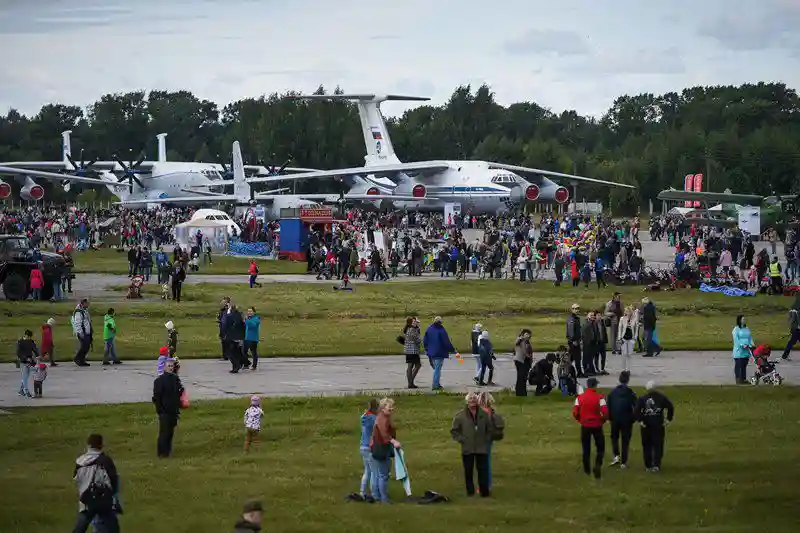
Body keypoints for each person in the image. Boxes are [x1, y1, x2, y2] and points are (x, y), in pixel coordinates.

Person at [451, 392, 498, 497]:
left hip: (481, 447)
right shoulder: (460, 416)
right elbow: (454, 431)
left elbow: (490, 429)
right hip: (468, 448)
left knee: (483, 470)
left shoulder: (484, 415)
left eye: (474, 399)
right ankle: (470, 491)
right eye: (470, 399)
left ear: (477, 401)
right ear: (467, 402)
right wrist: (462, 440)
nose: (472, 401)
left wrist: (486, 439)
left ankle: (484, 492)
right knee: (468, 470)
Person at [72, 433, 120, 533]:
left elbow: (76, 478)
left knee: (80, 528)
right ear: (101, 445)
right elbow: (113, 480)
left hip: (86, 499)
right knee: (113, 528)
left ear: (88, 445)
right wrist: (115, 498)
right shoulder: (105, 460)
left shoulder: (79, 461)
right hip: (103, 499)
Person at [572, 377, 609, 479]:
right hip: (597, 425)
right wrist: (602, 420)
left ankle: (587, 469)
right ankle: (597, 465)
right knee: (600, 448)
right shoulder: (600, 397)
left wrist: (581, 420)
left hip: (585, 426)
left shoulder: (579, 398)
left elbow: (575, 412)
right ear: (595, 386)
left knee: (586, 448)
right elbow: (605, 412)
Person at [635, 380, 675, 472]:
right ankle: (656, 465)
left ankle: (648, 465)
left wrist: (640, 420)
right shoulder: (662, 398)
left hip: (646, 426)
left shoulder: (643, 398)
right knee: (658, 445)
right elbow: (670, 407)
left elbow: (636, 410)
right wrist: (668, 419)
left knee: (646, 446)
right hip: (658, 425)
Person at [369, 398, 401, 504]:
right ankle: (384, 499)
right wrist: (394, 441)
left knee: (378, 474)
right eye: (389, 406)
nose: (391, 408)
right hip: (382, 448)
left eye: (392, 406)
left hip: (377, 447)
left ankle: (377, 496)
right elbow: (384, 433)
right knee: (383, 475)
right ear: (383, 408)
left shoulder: (383, 416)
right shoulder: (383, 418)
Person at [152, 359, 184, 458]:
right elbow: (156, 397)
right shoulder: (159, 381)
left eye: (172, 366)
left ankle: (167, 451)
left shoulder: (175, 379)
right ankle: (161, 452)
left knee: (170, 432)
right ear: (165, 367)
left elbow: (178, 392)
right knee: (164, 433)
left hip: (173, 410)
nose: (170, 368)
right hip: (164, 411)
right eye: (169, 366)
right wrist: (160, 410)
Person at [607, 371, 637, 469]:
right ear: (628, 380)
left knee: (614, 438)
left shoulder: (613, 392)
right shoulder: (631, 393)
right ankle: (623, 462)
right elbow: (636, 406)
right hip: (627, 420)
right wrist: (633, 418)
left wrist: (609, 418)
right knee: (625, 440)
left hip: (615, 419)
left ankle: (616, 455)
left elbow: (609, 406)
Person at [477, 392, 504, 493]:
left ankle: (484, 486)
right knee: (486, 462)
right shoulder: (491, 412)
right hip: (489, 440)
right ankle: (487, 485)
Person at [423, 316, 455, 391]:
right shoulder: (441, 330)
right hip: (439, 352)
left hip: (431, 352)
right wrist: (452, 349)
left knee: (436, 368)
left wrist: (427, 349)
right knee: (437, 369)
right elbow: (446, 342)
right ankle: (435, 385)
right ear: (440, 322)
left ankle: (437, 383)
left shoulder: (429, 328)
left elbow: (425, 340)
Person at [359, 399, 378, 501]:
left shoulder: (363, 416)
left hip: (362, 446)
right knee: (374, 472)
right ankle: (374, 493)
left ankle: (362, 492)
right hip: (370, 447)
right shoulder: (374, 418)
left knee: (367, 471)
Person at [732, 314, 754, 384]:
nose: (744, 320)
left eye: (745, 319)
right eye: (743, 319)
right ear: (739, 320)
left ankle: (743, 379)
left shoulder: (747, 329)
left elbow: (750, 338)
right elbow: (736, 340)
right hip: (739, 350)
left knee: (744, 365)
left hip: (746, 350)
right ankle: (738, 379)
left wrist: (752, 344)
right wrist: (742, 345)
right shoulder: (736, 329)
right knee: (739, 365)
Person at [16, 329, 38, 398]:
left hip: (30, 360)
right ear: (26, 335)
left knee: (26, 375)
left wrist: (38, 355)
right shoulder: (20, 342)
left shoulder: (31, 341)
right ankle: (26, 391)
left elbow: (35, 349)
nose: (29, 338)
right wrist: (25, 358)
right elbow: (19, 353)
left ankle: (21, 390)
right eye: (29, 336)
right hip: (23, 361)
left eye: (30, 337)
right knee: (25, 375)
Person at [72, 298, 93, 367]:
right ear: (83, 303)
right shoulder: (78, 312)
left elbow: (87, 321)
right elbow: (77, 323)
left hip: (86, 332)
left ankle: (82, 360)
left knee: (86, 347)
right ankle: (77, 358)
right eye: (87, 303)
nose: (88, 304)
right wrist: (80, 333)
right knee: (84, 347)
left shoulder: (84, 310)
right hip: (82, 333)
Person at [513, 328, 534, 396]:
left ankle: (521, 392)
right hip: (520, 361)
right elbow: (524, 351)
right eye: (526, 334)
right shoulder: (521, 340)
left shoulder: (526, 341)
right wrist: (529, 356)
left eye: (529, 334)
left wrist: (530, 358)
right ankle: (521, 393)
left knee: (522, 377)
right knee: (521, 377)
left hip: (524, 361)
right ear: (523, 335)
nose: (528, 336)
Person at [403, 317, 422, 388]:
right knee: (417, 365)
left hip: (409, 350)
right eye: (413, 322)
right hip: (413, 351)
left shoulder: (409, 329)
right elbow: (418, 340)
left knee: (410, 366)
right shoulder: (412, 330)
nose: (415, 323)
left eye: (416, 322)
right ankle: (410, 383)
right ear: (410, 323)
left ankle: (410, 383)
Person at [617, 306, 636, 372]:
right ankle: (623, 369)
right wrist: (619, 338)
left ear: (631, 312)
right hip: (624, 338)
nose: (627, 313)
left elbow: (636, 329)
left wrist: (635, 338)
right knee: (624, 354)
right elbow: (620, 328)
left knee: (629, 354)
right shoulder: (622, 319)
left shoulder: (634, 319)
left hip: (631, 338)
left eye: (628, 311)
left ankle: (628, 369)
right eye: (626, 311)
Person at [566, 304, 583, 376]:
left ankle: (568, 372)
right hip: (573, 342)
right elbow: (571, 331)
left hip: (576, 341)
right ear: (572, 309)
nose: (577, 310)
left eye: (578, 309)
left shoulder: (576, 318)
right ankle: (578, 373)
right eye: (575, 309)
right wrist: (573, 340)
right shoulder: (571, 319)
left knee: (572, 358)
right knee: (577, 358)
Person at [581, 311, 598, 376]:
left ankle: (591, 370)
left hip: (593, 343)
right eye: (591, 315)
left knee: (591, 358)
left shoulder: (594, 323)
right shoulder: (586, 323)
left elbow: (596, 333)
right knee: (587, 357)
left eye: (593, 315)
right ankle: (587, 370)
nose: (593, 316)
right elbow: (583, 333)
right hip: (587, 343)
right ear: (587, 316)